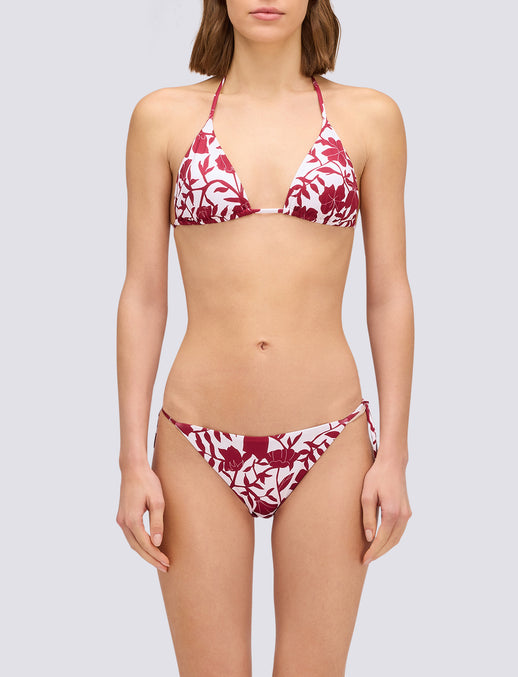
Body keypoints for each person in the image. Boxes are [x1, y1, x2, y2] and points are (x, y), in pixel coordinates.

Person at [116, 1, 414, 674]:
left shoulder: (370, 117)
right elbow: (143, 296)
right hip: (195, 439)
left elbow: (389, 294)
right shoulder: (162, 117)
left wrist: (393, 454)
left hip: (330, 438)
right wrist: (132, 460)